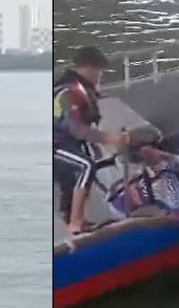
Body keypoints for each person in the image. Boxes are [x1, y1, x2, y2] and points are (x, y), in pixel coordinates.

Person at [53, 45, 130, 234]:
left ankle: (70, 217)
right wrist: (110, 138)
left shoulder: (82, 90)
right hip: (54, 143)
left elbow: (88, 123)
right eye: (99, 71)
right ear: (88, 68)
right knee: (85, 166)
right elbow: (79, 130)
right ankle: (75, 223)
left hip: (67, 142)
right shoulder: (70, 92)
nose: (100, 76)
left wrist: (99, 144)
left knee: (82, 170)